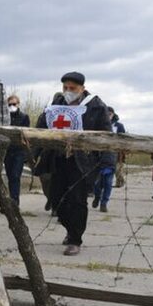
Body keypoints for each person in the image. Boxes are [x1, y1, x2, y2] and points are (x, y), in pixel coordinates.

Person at [33, 72, 112, 256]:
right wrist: (33, 153)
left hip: (83, 161)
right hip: (57, 158)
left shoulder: (96, 106)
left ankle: (75, 239)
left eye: (72, 88)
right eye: (65, 88)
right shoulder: (55, 104)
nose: (68, 92)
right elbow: (41, 128)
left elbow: (107, 134)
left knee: (77, 200)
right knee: (56, 198)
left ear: (82, 89)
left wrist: (107, 162)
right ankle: (69, 227)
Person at [91, 106, 126, 212]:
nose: (108, 116)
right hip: (98, 157)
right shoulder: (98, 124)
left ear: (113, 115)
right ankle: (97, 196)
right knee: (97, 183)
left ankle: (104, 203)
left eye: (110, 114)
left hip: (111, 157)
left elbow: (124, 140)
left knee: (108, 183)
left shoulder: (119, 126)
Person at [4, 95, 31, 208]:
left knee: (15, 176)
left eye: (14, 104)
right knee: (10, 176)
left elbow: (26, 133)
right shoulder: (5, 117)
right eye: (9, 104)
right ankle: (10, 201)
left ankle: (15, 203)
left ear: (18, 104)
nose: (12, 107)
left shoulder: (24, 117)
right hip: (8, 151)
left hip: (19, 151)